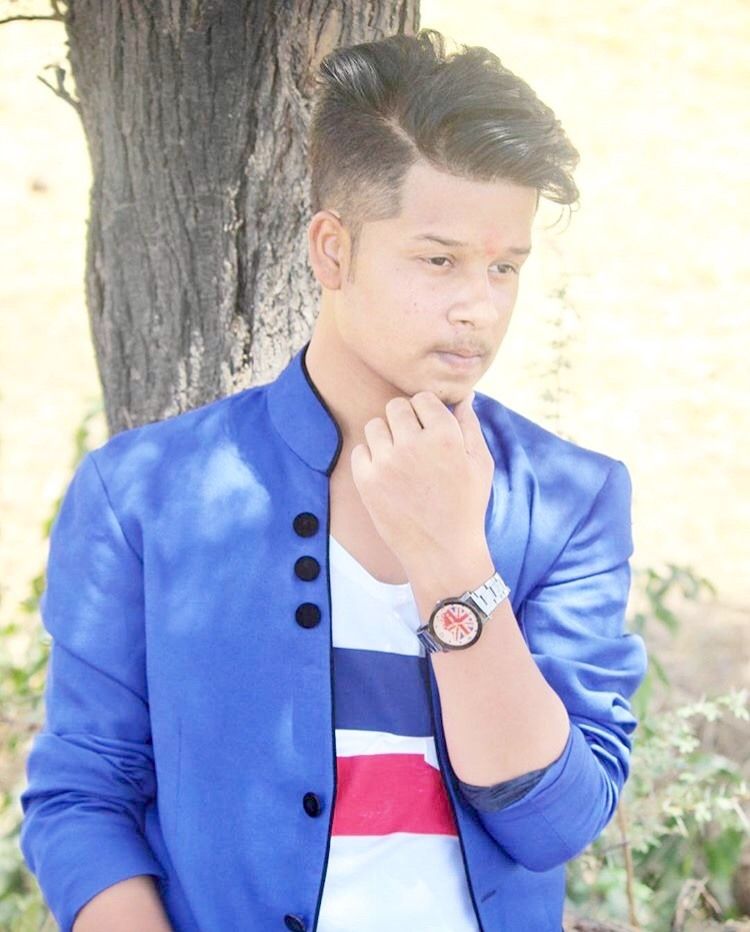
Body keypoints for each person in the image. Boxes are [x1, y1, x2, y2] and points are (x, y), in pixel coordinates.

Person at [19, 27, 648, 932]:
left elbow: (555, 821)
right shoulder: (144, 495)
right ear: (332, 251)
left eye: (505, 267)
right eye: (439, 260)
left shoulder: (571, 500)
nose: (479, 306)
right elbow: (84, 798)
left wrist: (451, 562)